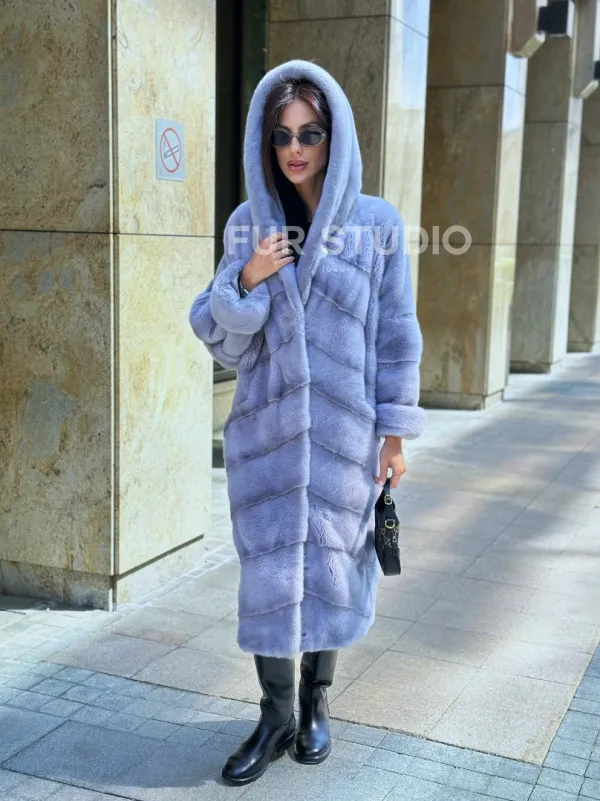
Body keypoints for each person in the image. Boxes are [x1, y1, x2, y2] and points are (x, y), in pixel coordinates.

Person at [189, 59, 426, 786]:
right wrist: (247, 278)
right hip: (265, 438)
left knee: (332, 567)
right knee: (267, 575)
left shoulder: (377, 225)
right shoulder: (248, 225)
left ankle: (316, 701)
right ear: (266, 142)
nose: (295, 148)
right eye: (282, 135)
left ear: (334, 136)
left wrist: (394, 435)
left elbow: (395, 334)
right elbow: (222, 340)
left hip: (345, 439)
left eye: (310, 134)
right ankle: (274, 715)